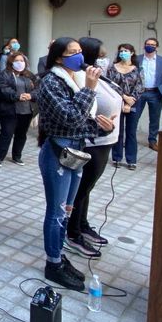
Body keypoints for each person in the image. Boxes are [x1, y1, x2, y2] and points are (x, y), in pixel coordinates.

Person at [35, 38, 115, 291]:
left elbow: (82, 121)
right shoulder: (50, 82)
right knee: (56, 211)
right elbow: (70, 117)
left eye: (80, 51)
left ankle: (60, 255)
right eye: (73, 53)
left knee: (68, 209)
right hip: (58, 152)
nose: (79, 56)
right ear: (59, 58)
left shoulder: (75, 79)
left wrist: (103, 127)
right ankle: (53, 263)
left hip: (76, 151)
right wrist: (90, 88)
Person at [65, 38, 120, 259]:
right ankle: (72, 233)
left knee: (86, 190)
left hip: (106, 140)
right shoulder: (81, 77)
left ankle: (83, 224)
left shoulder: (98, 76)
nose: (104, 61)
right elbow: (79, 108)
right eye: (100, 56)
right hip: (91, 142)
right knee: (80, 190)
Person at [0, 51, 36, 167]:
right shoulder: (4, 74)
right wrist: (18, 96)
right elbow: (3, 89)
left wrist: (31, 95)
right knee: (6, 133)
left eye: (22, 61)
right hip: (10, 110)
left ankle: (17, 156)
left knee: (21, 135)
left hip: (26, 110)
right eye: (17, 61)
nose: (20, 63)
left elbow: (38, 88)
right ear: (11, 62)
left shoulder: (29, 75)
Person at [133, 37, 162, 151]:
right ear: (144, 45)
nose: (150, 46)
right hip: (139, 92)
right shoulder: (137, 59)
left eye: (152, 44)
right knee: (134, 117)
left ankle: (152, 141)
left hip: (155, 93)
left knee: (154, 118)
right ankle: (130, 139)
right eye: (148, 44)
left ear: (157, 47)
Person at [108, 43, 143, 170]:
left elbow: (140, 87)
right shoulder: (112, 68)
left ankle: (131, 160)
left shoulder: (138, 69)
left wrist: (129, 101)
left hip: (133, 102)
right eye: (121, 51)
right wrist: (123, 98)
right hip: (117, 101)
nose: (123, 53)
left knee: (131, 132)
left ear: (132, 53)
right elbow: (110, 84)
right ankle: (116, 157)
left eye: (126, 51)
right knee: (118, 130)